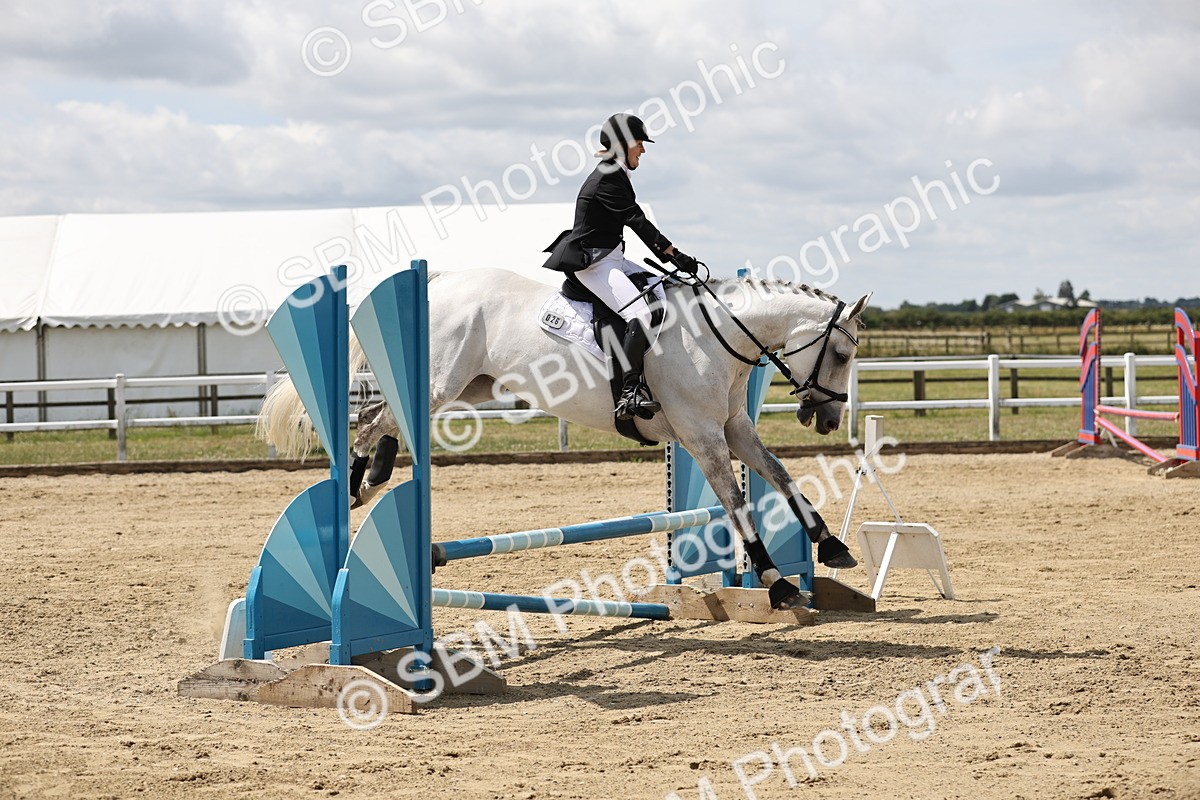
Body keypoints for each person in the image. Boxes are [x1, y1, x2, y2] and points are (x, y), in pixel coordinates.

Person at [542, 113, 700, 421]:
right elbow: (636, 220)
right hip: (593, 262)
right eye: (639, 143)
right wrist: (672, 253)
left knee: (668, 289)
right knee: (639, 312)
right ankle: (630, 392)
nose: (643, 150)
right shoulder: (608, 176)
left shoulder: (615, 172)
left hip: (611, 256)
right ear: (623, 145)